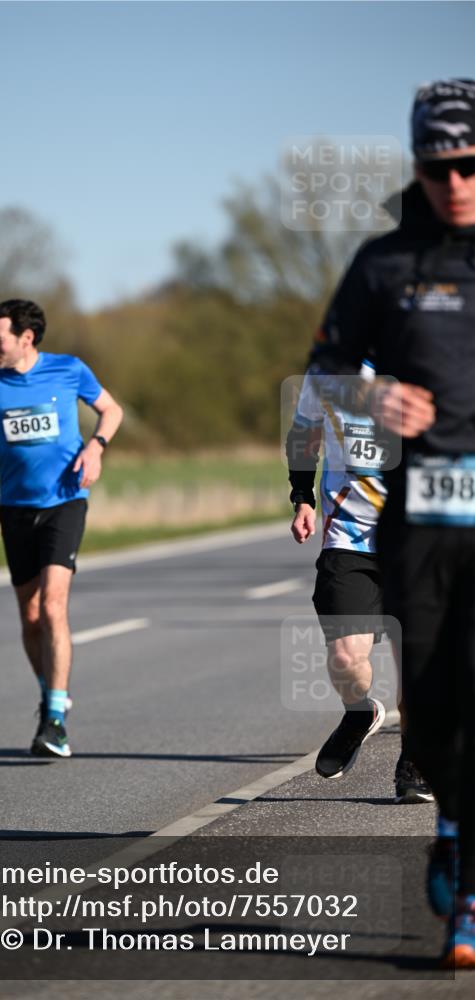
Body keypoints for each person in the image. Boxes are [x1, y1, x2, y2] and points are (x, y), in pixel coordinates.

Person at [311, 78, 475, 967]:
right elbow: (324, 370)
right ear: (417, 166)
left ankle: (468, 888)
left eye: (469, 165)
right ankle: (450, 823)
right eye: (437, 167)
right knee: (436, 701)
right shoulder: (382, 264)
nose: (454, 183)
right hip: (418, 519)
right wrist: (373, 397)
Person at [0, 299, 123, 759]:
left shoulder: (68, 369)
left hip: (64, 501)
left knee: (53, 605)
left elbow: (111, 410)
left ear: (26, 338)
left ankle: (54, 720)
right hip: (14, 508)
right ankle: (52, 690)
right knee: (30, 616)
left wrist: (96, 447)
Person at [286, 361, 433, 802]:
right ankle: (359, 711)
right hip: (349, 539)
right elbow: (304, 434)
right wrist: (302, 497)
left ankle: (414, 763)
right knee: (346, 658)